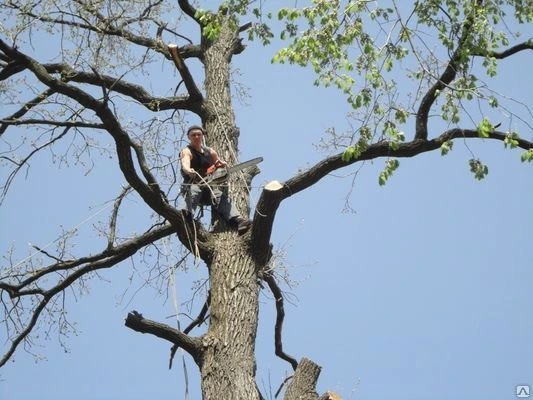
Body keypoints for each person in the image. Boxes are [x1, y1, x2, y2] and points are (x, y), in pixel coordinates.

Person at [179, 125, 251, 233]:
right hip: (193, 186)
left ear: (202, 136)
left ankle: (237, 221)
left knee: (219, 195)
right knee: (195, 189)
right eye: (193, 135)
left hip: (208, 188)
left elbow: (218, 163)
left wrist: (222, 165)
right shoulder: (187, 151)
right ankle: (186, 216)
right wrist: (188, 170)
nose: (196, 137)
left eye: (199, 134)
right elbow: (185, 163)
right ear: (189, 137)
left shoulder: (209, 152)